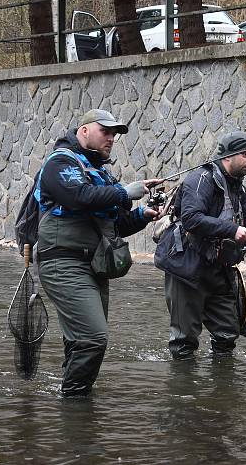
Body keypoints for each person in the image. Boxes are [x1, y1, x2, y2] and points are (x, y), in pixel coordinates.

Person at [35, 108, 161, 396]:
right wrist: (124, 192)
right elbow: (78, 197)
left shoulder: (101, 173)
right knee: (93, 338)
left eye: (115, 133)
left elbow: (113, 224)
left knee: (78, 341)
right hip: (63, 263)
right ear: (84, 131)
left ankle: (73, 404)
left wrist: (144, 215)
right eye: (105, 131)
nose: (112, 138)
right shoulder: (60, 162)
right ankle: (75, 403)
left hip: (93, 266)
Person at [159, 131, 246, 360]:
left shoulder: (237, 185)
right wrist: (233, 230)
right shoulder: (200, 180)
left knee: (227, 334)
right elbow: (191, 218)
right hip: (186, 268)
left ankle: (224, 390)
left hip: (218, 268)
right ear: (227, 157)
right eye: (245, 154)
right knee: (184, 342)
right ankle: (184, 391)